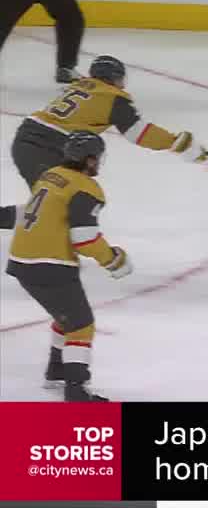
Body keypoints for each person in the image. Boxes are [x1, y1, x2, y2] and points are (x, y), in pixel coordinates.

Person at [0, 54, 208, 230]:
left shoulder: (80, 86)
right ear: (114, 78)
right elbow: (139, 133)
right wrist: (176, 143)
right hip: (46, 146)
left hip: (31, 139)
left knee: (53, 205)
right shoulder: (111, 96)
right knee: (53, 208)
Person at [6, 131, 132, 402]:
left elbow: (28, 211)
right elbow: (84, 238)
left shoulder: (50, 176)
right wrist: (113, 259)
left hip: (23, 261)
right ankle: (76, 391)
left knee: (66, 316)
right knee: (81, 324)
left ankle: (57, 369)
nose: (99, 163)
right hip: (50, 265)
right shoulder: (85, 188)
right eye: (97, 158)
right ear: (88, 160)